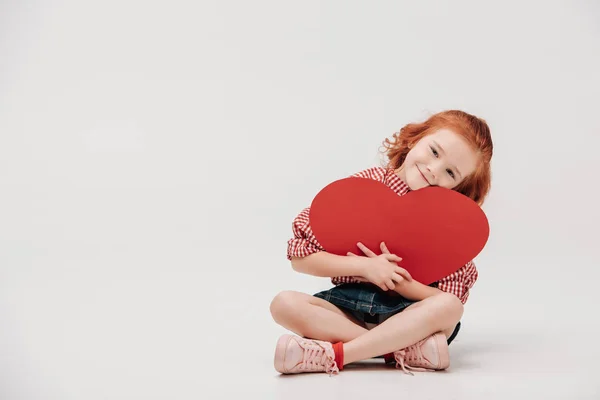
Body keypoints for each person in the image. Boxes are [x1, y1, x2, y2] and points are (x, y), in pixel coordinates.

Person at [269, 109, 494, 376]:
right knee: (283, 304)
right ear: (415, 139)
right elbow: (301, 257)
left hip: (409, 316)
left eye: (450, 172)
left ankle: (338, 355)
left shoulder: (449, 222)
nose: (433, 171)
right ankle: (398, 351)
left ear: (459, 187)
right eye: (434, 152)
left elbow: (449, 300)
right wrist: (366, 268)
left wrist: (400, 282)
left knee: (451, 308)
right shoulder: (366, 186)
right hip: (347, 309)